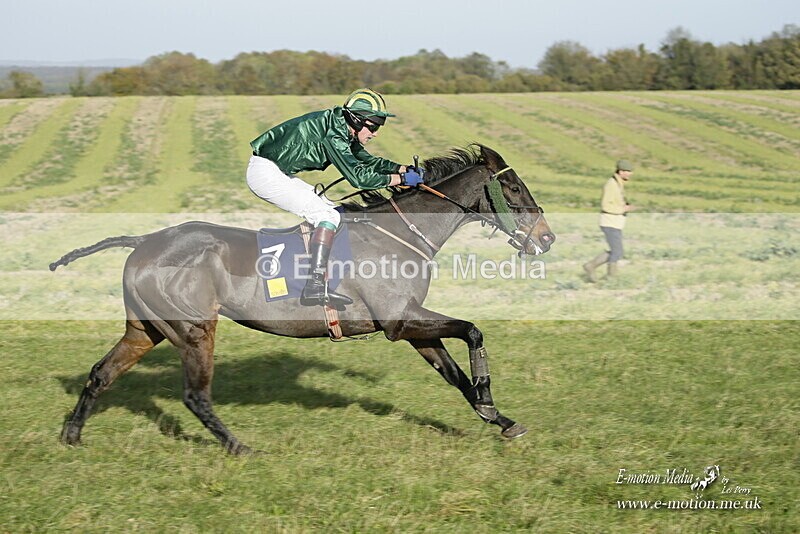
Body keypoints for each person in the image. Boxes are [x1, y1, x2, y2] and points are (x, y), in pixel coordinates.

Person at [247, 88, 425, 307]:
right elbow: (359, 178)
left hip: (278, 171)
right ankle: (313, 285)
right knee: (327, 217)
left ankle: (324, 273)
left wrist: (401, 168)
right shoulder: (334, 134)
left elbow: (367, 161)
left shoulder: (342, 127)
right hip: (265, 173)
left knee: (334, 210)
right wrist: (401, 180)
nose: (376, 133)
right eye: (374, 126)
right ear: (358, 121)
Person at [583, 159, 634, 282]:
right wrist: (622, 209)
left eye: (630, 171)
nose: (629, 174)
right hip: (610, 223)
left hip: (614, 223)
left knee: (616, 251)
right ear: (620, 171)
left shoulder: (618, 184)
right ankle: (610, 277)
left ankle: (592, 267)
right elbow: (605, 205)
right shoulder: (612, 184)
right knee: (617, 252)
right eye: (627, 171)